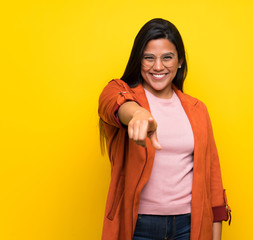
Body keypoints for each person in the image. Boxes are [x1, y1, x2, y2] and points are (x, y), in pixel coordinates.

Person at [98, 18, 231, 240]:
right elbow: (110, 101)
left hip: (188, 225)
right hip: (139, 226)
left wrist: (215, 234)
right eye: (148, 58)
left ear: (179, 61)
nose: (158, 67)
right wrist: (138, 114)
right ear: (138, 61)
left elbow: (213, 179)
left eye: (167, 57)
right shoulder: (124, 96)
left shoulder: (197, 110)